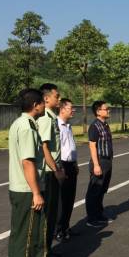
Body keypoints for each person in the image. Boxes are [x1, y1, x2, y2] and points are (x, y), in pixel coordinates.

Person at [7, 88, 50, 257]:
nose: (44, 105)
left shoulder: (22, 124)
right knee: (26, 240)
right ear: (35, 105)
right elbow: (28, 162)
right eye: (42, 102)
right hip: (26, 191)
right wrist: (36, 193)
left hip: (21, 189)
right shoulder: (26, 128)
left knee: (21, 237)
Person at [37, 83, 65, 257]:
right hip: (48, 173)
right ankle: (42, 254)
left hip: (53, 170)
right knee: (48, 215)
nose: (59, 98)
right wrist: (56, 169)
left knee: (53, 213)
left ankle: (47, 250)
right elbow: (44, 147)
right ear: (46, 98)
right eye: (56, 95)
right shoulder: (46, 118)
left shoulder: (51, 116)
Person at [85, 100, 114, 228]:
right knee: (94, 190)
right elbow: (92, 146)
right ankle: (91, 218)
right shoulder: (94, 126)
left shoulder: (105, 125)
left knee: (102, 190)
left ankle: (98, 214)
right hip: (99, 161)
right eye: (106, 108)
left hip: (107, 161)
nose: (108, 110)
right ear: (98, 111)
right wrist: (96, 165)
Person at [56, 98, 79, 242]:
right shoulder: (57, 125)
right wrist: (59, 168)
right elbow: (58, 150)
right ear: (63, 108)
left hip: (71, 165)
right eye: (71, 107)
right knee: (62, 200)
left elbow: (70, 147)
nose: (73, 110)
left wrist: (75, 163)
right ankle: (58, 230)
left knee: (70, 198)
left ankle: (66, 226)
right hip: (62, 165)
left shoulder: (68, 126)